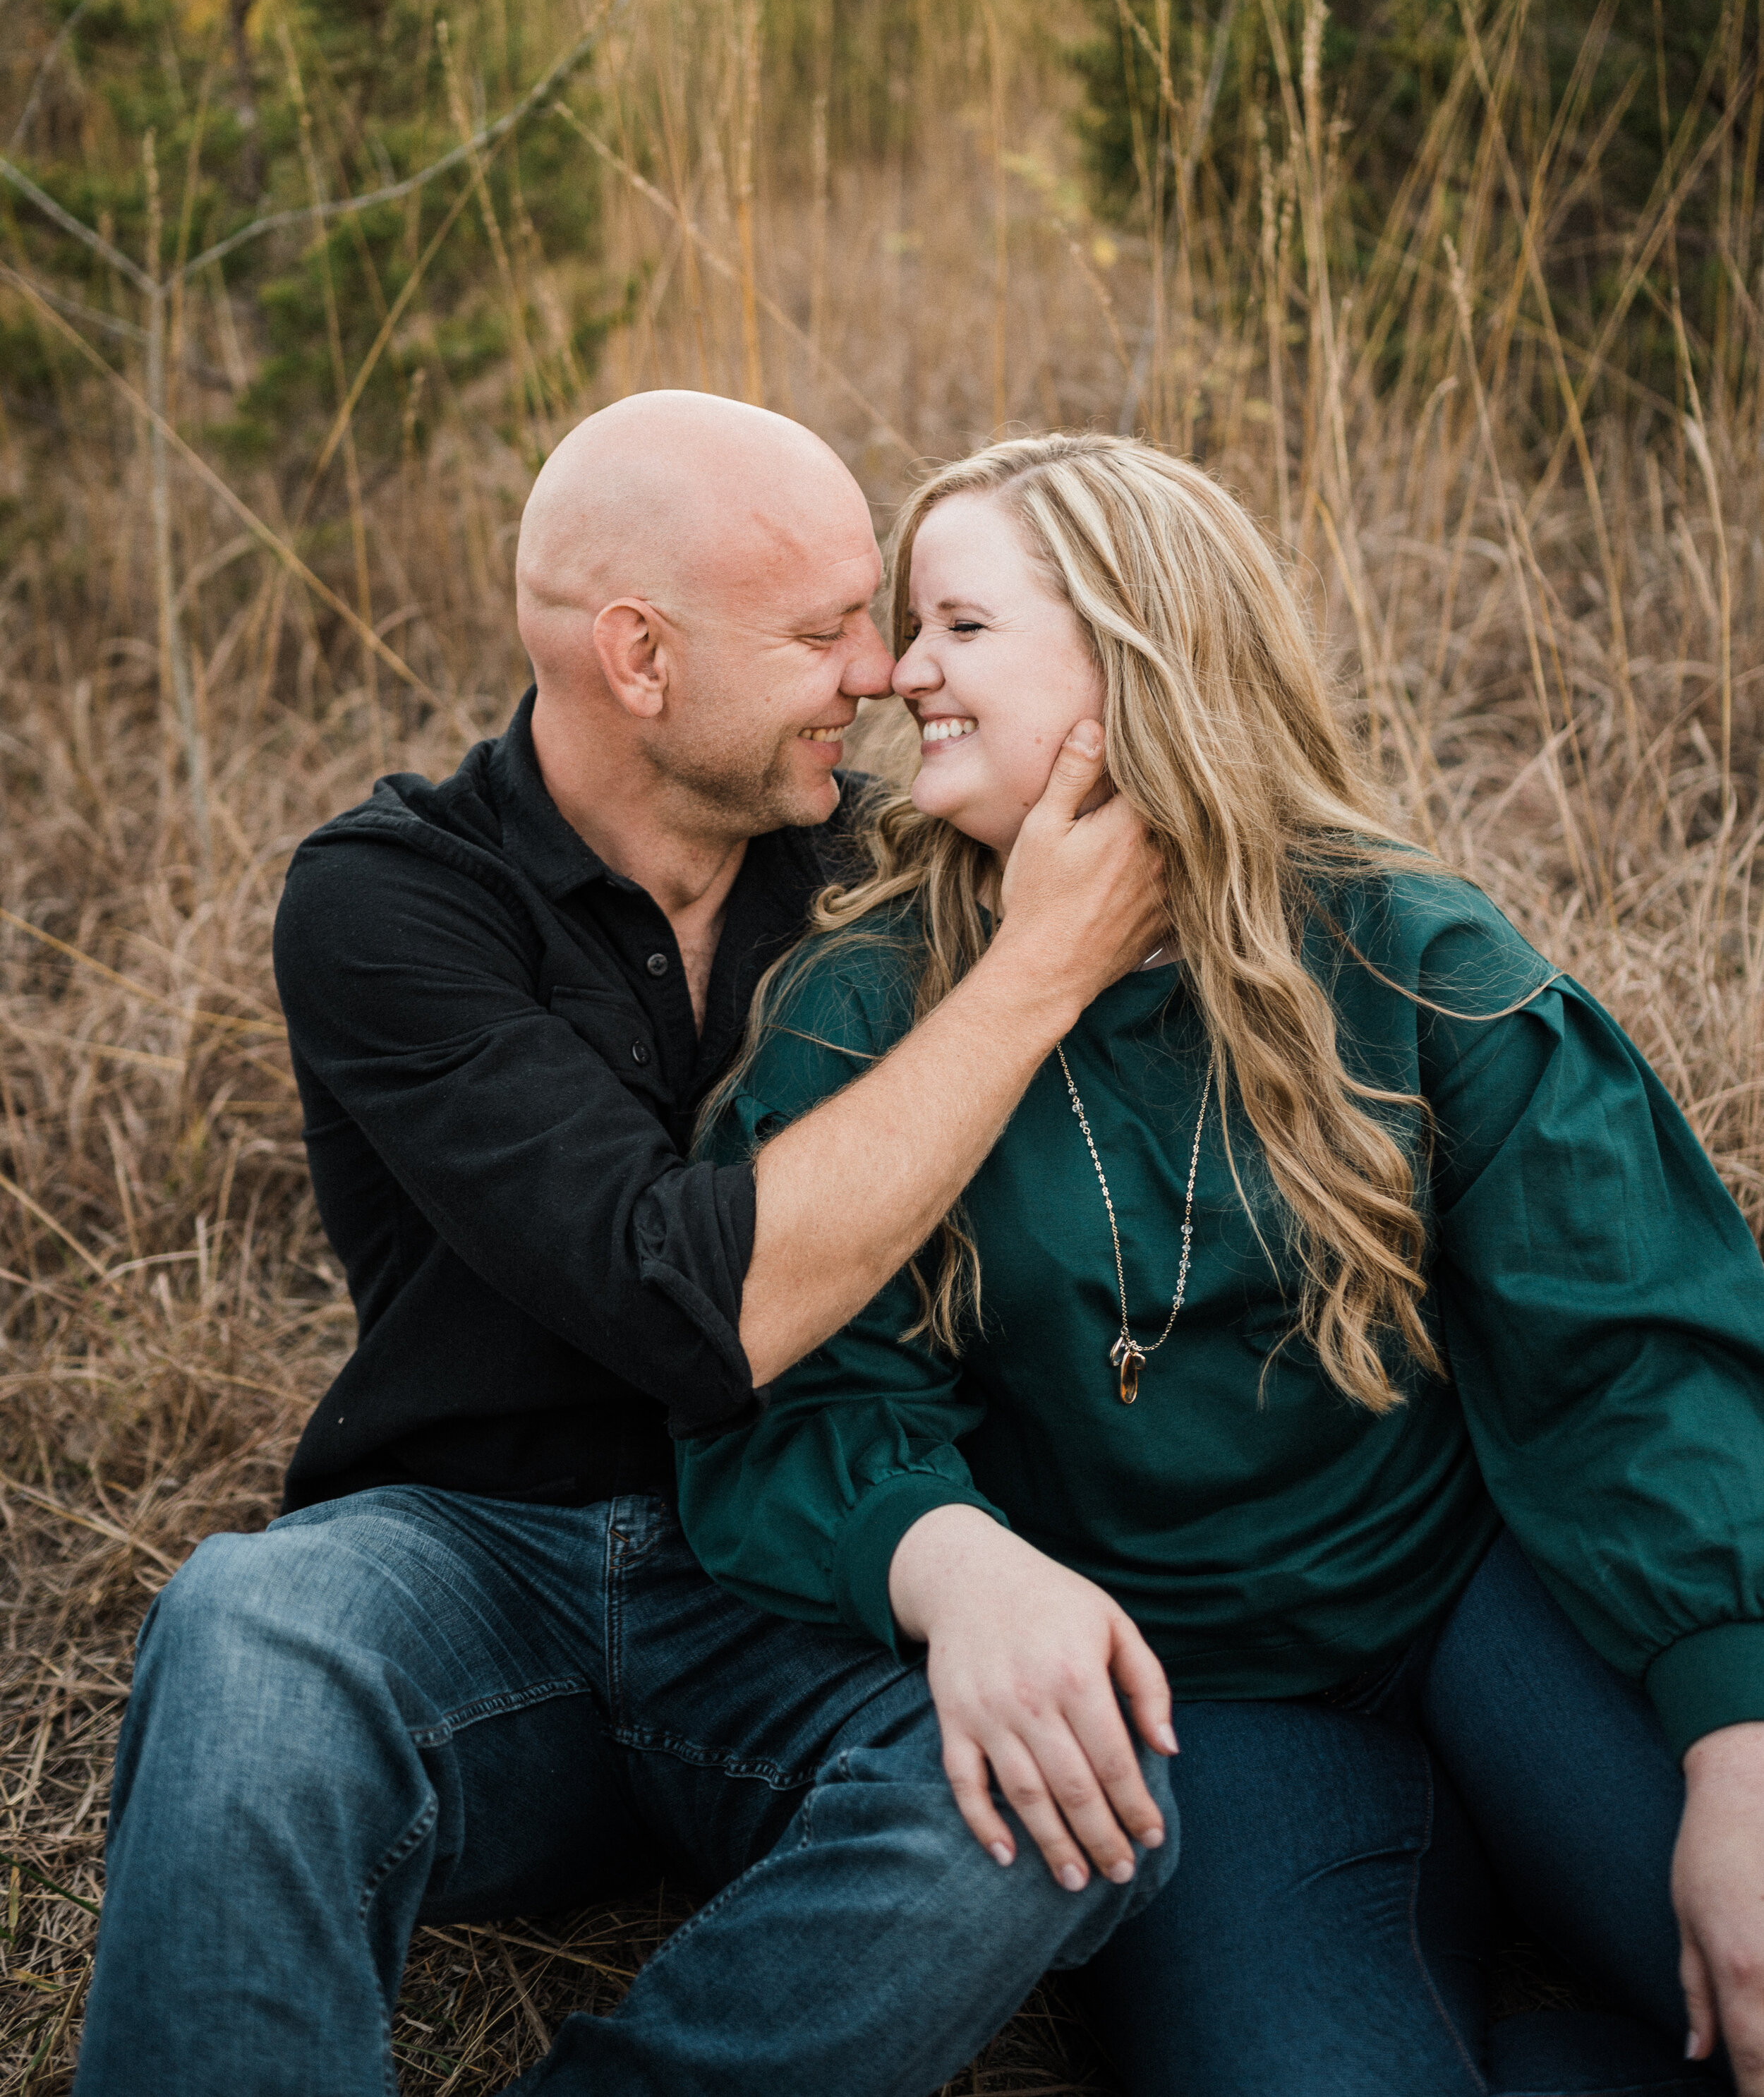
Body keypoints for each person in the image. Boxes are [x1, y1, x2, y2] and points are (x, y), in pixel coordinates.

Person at [72, 394, 1180, 2097]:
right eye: (822, 634)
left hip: (806, 1576)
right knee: (248, 1626)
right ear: (640, 658)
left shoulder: (887, 878)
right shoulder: (390, 902)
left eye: (877, 621)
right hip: (467, 1569)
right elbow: (683, 1298)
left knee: (1064, 1792)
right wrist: (1033, 975)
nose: (878, 674)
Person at [678, 429, 1764, 2097]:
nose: (898, 675)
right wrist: (941, 1554)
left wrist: (1735, 1729)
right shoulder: (875, 1009)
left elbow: (1629, 1348)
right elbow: (790, 1386)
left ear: (1133, 649)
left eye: (958, 625)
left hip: (1500, 1601)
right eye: (911, 629)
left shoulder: (1405, 953)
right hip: (1207, 1712)